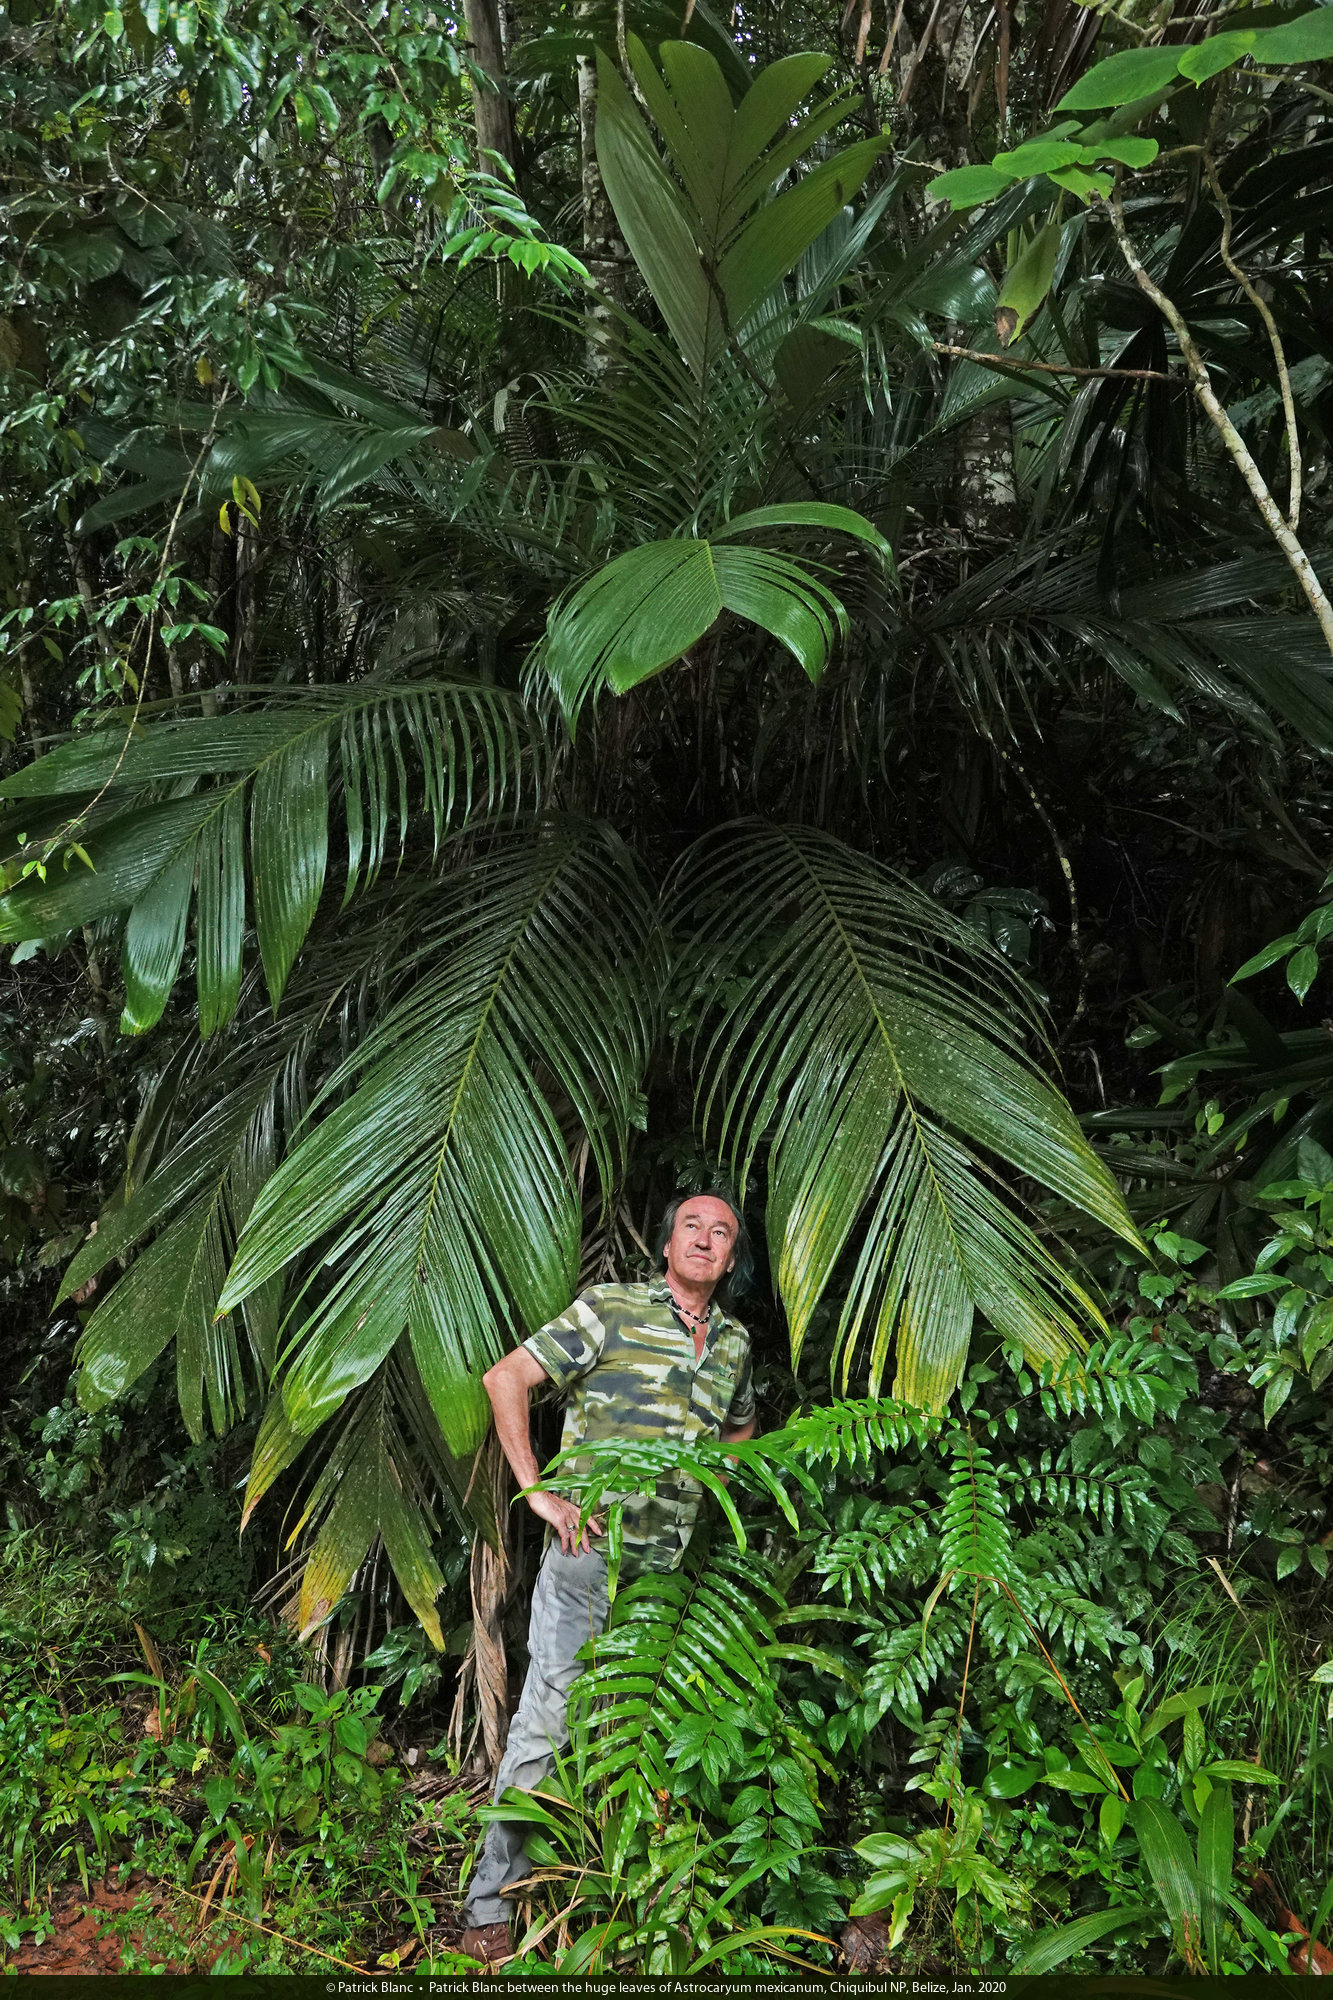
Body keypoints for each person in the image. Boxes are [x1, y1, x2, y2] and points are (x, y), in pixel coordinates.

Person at [459, 1192, 758, 1966]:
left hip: (664, 1581)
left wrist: (715, 1496)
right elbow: (505, 1377)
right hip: (588, 1558)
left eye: (720, 1232)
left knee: (630, 1732)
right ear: (666, 1244)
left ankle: (595, 1891)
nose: (705, 1239)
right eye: (691, 1225)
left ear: (730, 1258)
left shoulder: (732, 1344)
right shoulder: (612, 1309)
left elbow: (739, 1430)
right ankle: (491, 1905)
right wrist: (537, 1491)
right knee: (547, 1722)